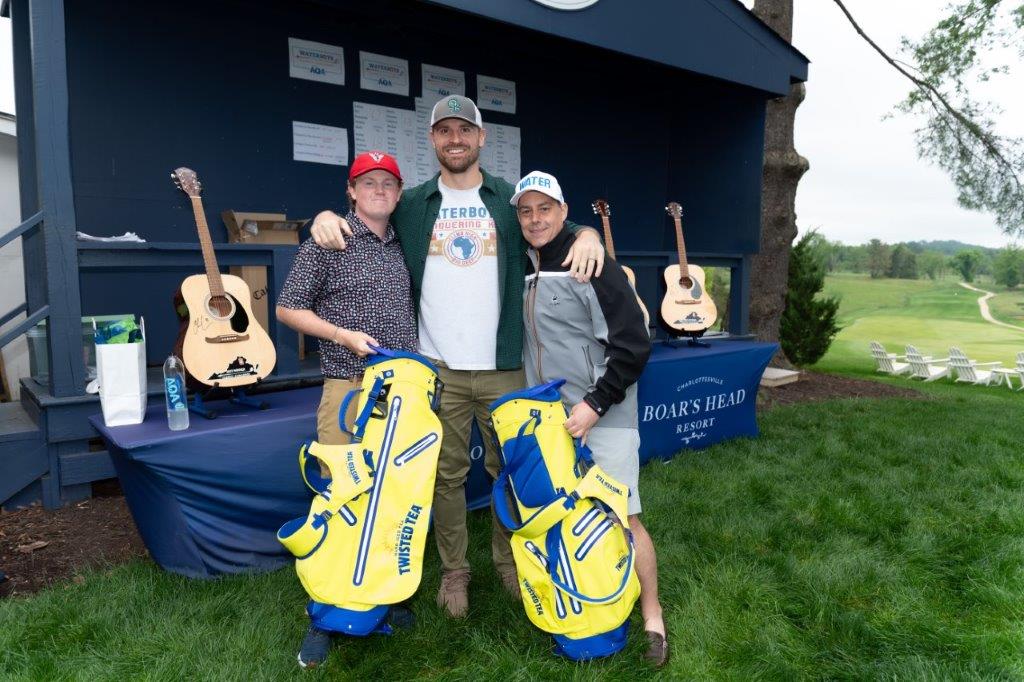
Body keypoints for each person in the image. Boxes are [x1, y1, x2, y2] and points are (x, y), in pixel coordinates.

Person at [307, 95, 606, 619]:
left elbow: (551, 224)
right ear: (433, 141)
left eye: (464, 130)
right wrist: (325, 214)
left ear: (481, 137)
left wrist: (589, 236)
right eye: (444, 130)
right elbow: (365, 211)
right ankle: (455, 573)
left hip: (503, 365)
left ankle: (510, 564)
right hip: (436, 368)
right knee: (443, 477)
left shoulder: (509, 199)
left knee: (509, 470)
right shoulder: (414, 202)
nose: (455, 139)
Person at [511, 170, 668, 668]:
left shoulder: (593, 264)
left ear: (563, 213)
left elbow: (634, 344)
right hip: (554, 422)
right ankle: (584, 602)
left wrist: (596, 403)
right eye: (526, 211)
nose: (536, 219)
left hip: (603, 414)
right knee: (571, 520)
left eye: (545, 209)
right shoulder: (527, 265)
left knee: (623, 516)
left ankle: (651, 615)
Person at [276, 151, 417, 669]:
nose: (379, 189)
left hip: (401, 393)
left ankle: (379, 597)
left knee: (390, 500)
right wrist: (340, 335)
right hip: (348, 388)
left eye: (388, 183)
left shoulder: (405, 242)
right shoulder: (330, 239)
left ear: (398, 194)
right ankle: (323, 613)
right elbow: (288, 307)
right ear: (352, 191)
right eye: (369, 182)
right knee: (340, 499)